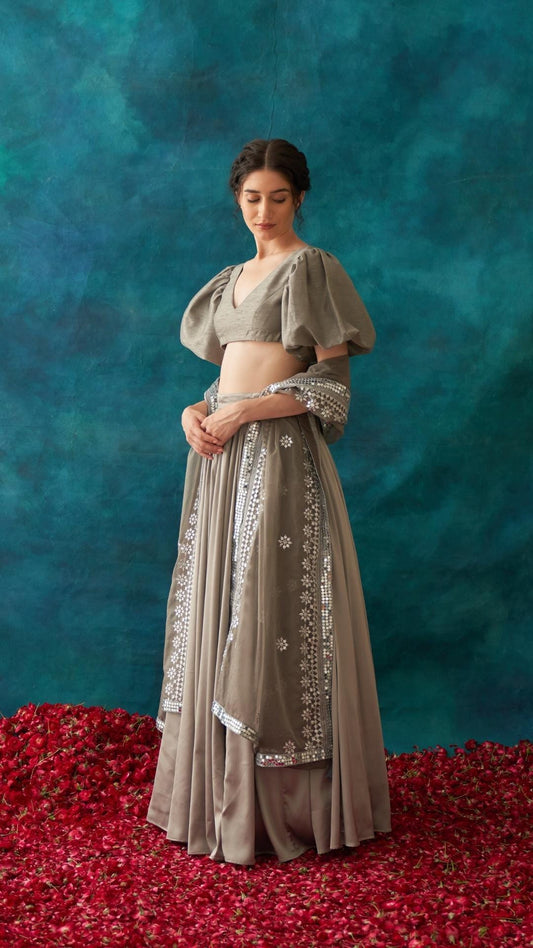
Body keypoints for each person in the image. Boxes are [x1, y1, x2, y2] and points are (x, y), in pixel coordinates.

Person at [147, 139, 391, 864]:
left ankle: (281, 808)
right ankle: (215, 798)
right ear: (237, 199)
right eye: (251, 198)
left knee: (269, 610)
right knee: (219, 609)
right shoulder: (229, 281)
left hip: (279, 461)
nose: (263, 211)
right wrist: (196, 412)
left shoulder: (312, 269)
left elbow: (330, 384)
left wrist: (245, 413)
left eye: (277, 198)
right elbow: (229, 377)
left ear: (299, 199)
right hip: (220, 463)